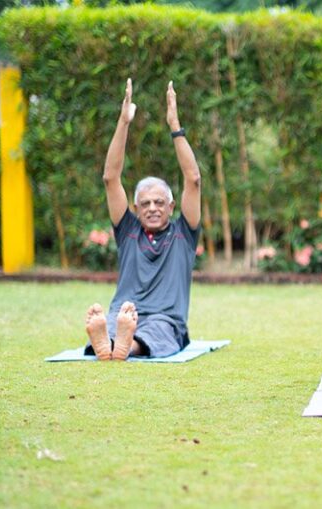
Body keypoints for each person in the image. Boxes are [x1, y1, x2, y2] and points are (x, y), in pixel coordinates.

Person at [84, 78, 201, 361]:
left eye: (159, 202)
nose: (152, 208)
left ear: (171, 206)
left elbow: (193, 179)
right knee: (116, 322)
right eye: (145, 203)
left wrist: (175, 126)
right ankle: (113, 340)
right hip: (124, 312)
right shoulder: (128, 231)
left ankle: (123, 345)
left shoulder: (183, 234)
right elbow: (110, 178)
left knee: (157, 332)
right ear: (135, 208)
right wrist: (123, 122)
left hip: (166, 319)